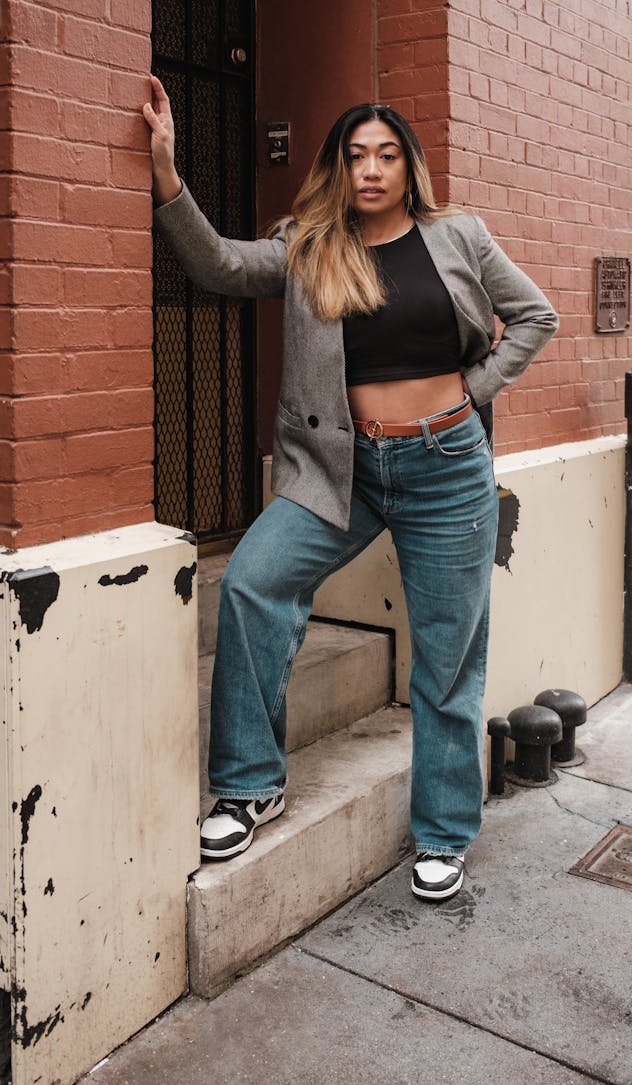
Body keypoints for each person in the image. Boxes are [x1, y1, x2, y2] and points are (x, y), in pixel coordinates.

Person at [143, 75, 559, 902]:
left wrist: (471, 393)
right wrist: (167, 177)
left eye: (387, 155)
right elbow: (221, 265)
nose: (371, 169)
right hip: (339, 470)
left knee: (446, 659)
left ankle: (442, 833)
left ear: (409, 168)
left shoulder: (460, 237)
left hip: (447, 471)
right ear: (339, 167)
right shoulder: (309, 244)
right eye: (356, 155)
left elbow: (536, 315)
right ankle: (251, 782)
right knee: (255, 583)